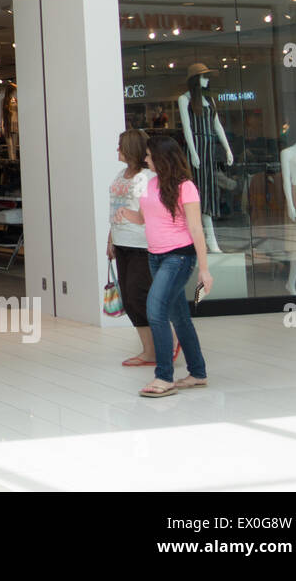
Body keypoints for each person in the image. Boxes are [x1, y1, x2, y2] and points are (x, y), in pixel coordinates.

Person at [120, 135, 212, 397]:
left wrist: (204, 270)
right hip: (155, 256)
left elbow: (196, 228)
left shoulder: (186, 187)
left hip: (179, 257)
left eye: (149, 155)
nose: (146, 159)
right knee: (179, 318)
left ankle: (164, 377)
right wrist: (127, 215)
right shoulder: (150, 184)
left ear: (162, 157)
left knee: (155, 310)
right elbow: (145, 218)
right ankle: (197, 373)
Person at [107, 129, 177, 367]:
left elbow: (150, 211)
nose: (117, 150)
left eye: (120, 145)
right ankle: (149, 351)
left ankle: (170, 341)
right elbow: (117, 207)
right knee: (129, 299)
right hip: (122, 242)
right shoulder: (120, 174)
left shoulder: (147, 177)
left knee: (141, 295)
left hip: (141, 244)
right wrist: (111, 238)